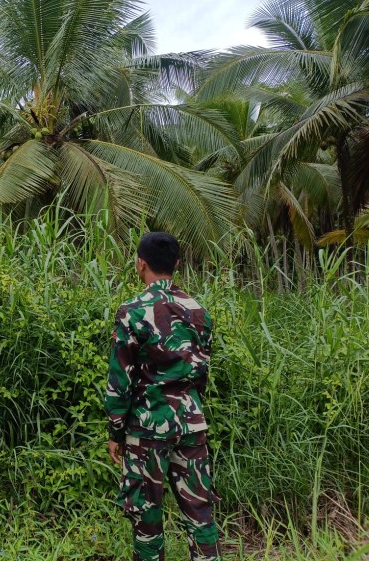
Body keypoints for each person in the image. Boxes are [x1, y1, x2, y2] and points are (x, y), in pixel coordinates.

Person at [105, 232, 221, 561]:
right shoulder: (199, 311)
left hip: (148, 428)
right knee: (200, 513)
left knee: (146, 516)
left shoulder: (131, 311)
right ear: (177, 264)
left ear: (140, 263)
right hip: (191, 424)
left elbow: (120, 380)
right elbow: (201, 372)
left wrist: (116, 431)